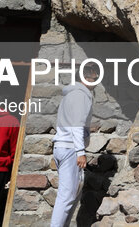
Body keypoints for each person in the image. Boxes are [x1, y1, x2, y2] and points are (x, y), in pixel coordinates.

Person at [50, 65, 97, 227]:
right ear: (86, 77)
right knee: (67, 196)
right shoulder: (80, 95)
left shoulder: (72, 94)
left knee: (71, 195)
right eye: (94, 78)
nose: (96, 82)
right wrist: (80, 151)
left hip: (63, 146)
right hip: (70, 148)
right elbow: (76, 124)